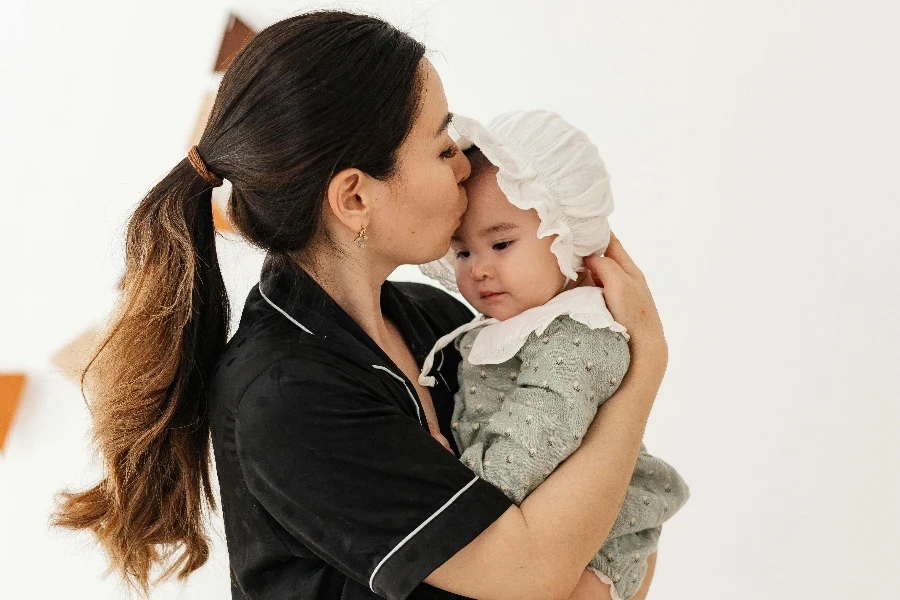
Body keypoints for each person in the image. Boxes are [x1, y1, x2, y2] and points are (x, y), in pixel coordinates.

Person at [53, 11, 671, 600]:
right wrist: (642, 371)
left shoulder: (438, 321)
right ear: (354, 198)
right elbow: (535, 568)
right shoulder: (286, 395)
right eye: (441, 147)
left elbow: (612, 527)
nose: (466, 167)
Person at [416, 111, 690, 600]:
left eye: (501, 243)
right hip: (542, 530)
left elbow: (538, 433)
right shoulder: (496, 329)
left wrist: (457, 486)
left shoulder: (577, 332)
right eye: (462, 252)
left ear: (567, 235)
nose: (479, 269)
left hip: (596, 547)